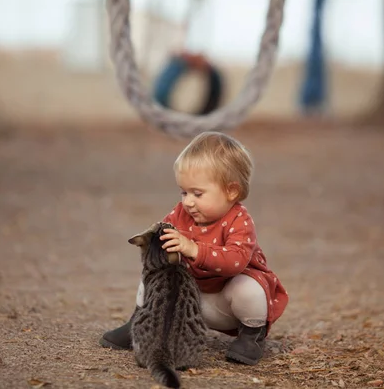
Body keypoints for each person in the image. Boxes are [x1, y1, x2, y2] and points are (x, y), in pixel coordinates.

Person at [100, 131, 288, 365]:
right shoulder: (182, 212)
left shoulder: (240, 220)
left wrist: (194, 249)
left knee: (249, 288)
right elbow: (162, 238)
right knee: (154, 274)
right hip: (191, 301)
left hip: (226, 303)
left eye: (197, 193)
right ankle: (141, 321)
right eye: (184, 192)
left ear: (231, 191)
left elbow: (235, 261)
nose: (188, 201)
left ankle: (251, 335)